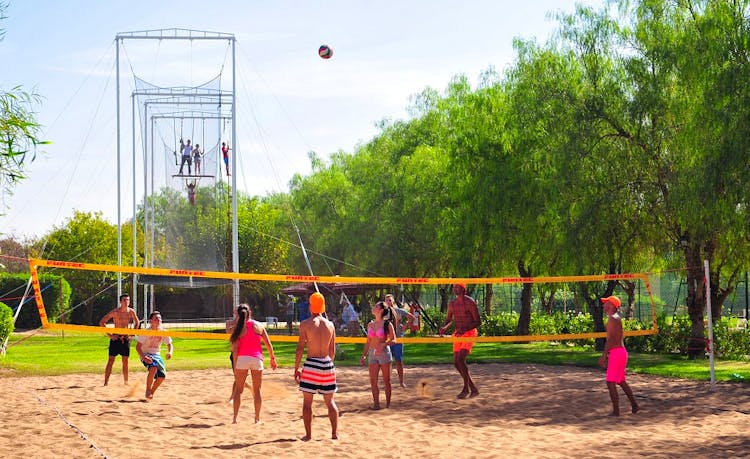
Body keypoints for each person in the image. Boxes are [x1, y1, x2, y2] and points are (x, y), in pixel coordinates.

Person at [294, 292, 338, 441]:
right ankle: (334, 434)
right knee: (330, 402)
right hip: (327, 363)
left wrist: (296, 368)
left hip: (312, 363)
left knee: (307, 403)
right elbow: (332, 351)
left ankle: (308, 435)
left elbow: (300, 348)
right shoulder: (330, 325)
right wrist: (327, 366)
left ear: (310, 306)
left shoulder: (305, 324)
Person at [229, 303, 277, 424]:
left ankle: (235, 419)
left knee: (238, 390)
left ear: (238, 314)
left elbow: (235, 350)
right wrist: (272, 358)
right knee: (257, 390)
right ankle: (257, 419)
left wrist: (236, 366)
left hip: (242, 359)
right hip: (257, 359)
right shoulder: (259, 325)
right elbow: (268, 344)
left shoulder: (237, 328)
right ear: (250, 313)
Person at [598, 296, 639, 416]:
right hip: (621, 352)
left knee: (610, 382)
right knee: (620, 380)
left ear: (611, 305)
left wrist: (604, 355)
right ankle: (634, 405)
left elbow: (611, 340)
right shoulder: (616, 318)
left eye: (606, 303)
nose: (603, 305)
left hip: (617, 352)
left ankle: (616, 411)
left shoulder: (612, 319)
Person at [439, 283, 481, 399]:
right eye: (454, 287)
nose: (454, 289)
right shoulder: (452, 304)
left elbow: (478, 321)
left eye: (457, 287)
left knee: (461, 359)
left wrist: (465, 329)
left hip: (469, 333)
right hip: (458, 334)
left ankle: (466, 389)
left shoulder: (470, 302)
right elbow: (449, 319)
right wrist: (444, 328)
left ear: (463, 289)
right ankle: (473, 389)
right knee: (456, 363)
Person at [359, 300, 396, 409]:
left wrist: (383, 345)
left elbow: (394, 340)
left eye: (376, 306)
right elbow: (368, 341)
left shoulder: (387, 324)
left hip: (384, 353)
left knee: (386, 381)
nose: (373, 307)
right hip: (372, 353)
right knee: (373, 381)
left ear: (381, 310)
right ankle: (376, 404)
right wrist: (364, 355)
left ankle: (388, 405)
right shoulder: (370, 324)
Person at [99, 293, 140, 386]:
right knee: (110, 360)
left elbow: (137, 322)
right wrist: (110, 335)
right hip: (116, 338)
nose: (126, 302)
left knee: (125, 361)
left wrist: (132, 334)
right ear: (120, 302)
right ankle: (105, 382)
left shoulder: (131, 311)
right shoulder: (115, 312)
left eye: (128, 300)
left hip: (125, 338)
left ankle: (126, 382)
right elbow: (102, 322)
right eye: (124, 300)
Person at [135, 311, 173, 400]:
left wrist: (170, 352)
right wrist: (144, 357)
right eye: (156, 318)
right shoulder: (146, 332)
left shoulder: (163, 331)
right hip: (145, 354)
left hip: (156, 355)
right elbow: (138, 347)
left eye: (160, 318)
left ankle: (151, 392)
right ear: (150, 321)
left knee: (162, 376)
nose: (158, 320)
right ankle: (148, 390)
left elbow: (169, 344)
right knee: (153, 366)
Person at [385, 293, 415, 387]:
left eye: (390, 300)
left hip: (398, 338)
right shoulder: (383, 312)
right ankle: (387, 382)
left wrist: (405, 327)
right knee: (387, 361)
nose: (388, 302)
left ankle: (401, 382)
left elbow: (412, 317)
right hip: (388, 339)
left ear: (393, 301)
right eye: (386, 300)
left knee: (398, 360)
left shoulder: (398, 311)